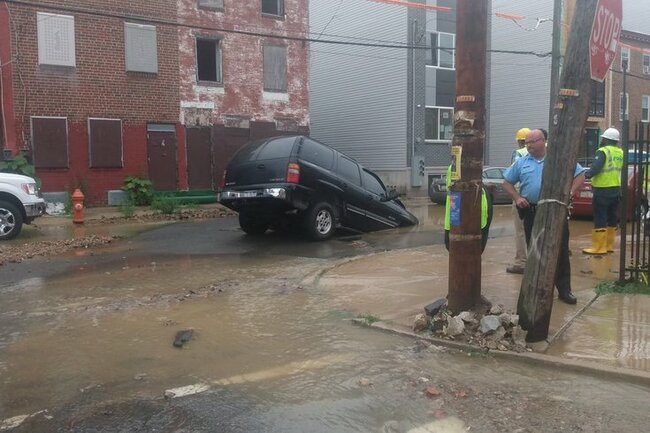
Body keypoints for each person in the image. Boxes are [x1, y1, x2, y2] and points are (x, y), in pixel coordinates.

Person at [502, 129, 586, 305]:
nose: (529, 145)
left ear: (544, 141)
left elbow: (580, 175)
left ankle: (564, 290)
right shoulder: (521, 162)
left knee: (561, 250)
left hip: (556, 210)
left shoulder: (558, 159)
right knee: (535, 251)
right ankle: (537, 289)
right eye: (526, 143)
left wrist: (570, 192)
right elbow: (507, 183)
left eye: (532, 141)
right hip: (532, 211)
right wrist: (517, 198)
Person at [582, 127, 623, 255]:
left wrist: (586, 175)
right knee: (612, 217)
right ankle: (609, 246)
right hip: (615, 189)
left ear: (606, 139)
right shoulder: (620, 152)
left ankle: (599, 248)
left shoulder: (603, 151)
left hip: (602, 190)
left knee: (600, 217)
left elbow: (595, 168)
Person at [444, 165, 493, 253]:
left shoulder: (457, 166)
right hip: (457, 213)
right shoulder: (455, 166)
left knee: (474, 248)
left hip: (476, 214)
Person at [506, 127, 531, 274]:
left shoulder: (519, 153)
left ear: (520, 142)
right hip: (536, 195)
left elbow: (513, 175)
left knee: (520, 230)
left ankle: (521, 261)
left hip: (520, 194)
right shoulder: (544, 151)